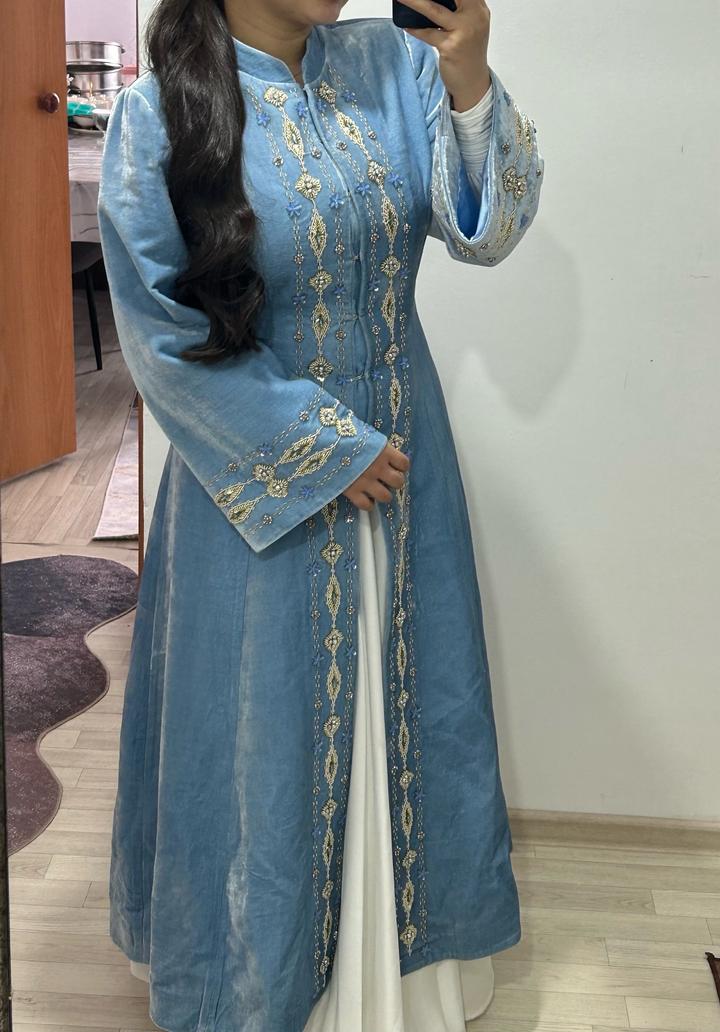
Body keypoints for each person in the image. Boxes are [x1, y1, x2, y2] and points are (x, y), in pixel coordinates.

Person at [97, 1, 544, 1029]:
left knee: (412, 705)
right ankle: (258, 985)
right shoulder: (158, 114)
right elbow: (161, 335)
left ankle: (404, 978)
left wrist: (469, 75)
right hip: (254, 492)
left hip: (405, 470)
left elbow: (491, 233)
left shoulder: (392, 65)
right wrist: (324, 453)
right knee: (261, 737)